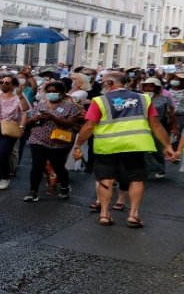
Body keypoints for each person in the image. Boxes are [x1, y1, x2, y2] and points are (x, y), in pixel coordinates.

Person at [73, 72, 177, 227]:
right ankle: (133, 215)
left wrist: (78, 145)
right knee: (136, 178)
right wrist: (168, 146)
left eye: (103, 83)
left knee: (105, 178)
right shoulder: (144, 99)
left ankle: (104, 215)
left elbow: (89, 126)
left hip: (108, 146)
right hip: (135, 145)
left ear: (109, 83)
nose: (102, 86)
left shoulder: (100, 101)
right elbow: (155, 124)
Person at [21, 80, 82, 202]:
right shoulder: (40, 105)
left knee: (58, 166)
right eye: (48, 92)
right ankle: (33, 192)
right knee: (37, 165)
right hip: (38, 139)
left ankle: (64, 186)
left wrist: (53, 118)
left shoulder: (70, 107)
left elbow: (70, 123)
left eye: (54, 92)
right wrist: (35, 118)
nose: (51, 94)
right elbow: (27, 122)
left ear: (62, 93)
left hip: (59, 141)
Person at [141, 78, 176, 179]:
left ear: (157, 87)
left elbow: (171, 114)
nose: (148, 88)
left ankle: (160, 168)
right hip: (143, 127)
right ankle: (146, 169)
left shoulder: (164, 99)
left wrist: (174, 127)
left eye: (151, 86)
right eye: (146, 86)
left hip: (158, 127)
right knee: (143, 149)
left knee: (157, 149)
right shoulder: (140, 98)